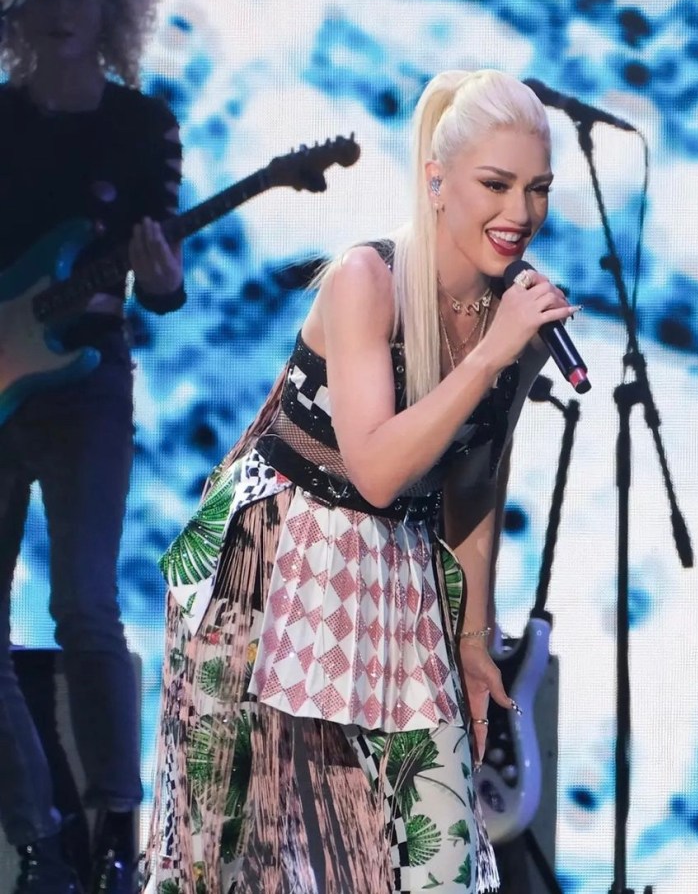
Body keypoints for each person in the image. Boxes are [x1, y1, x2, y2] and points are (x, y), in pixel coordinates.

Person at [143, 68, 575, 894]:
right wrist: (489, 355)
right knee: (230, 860)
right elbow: (376, 470)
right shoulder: (365, 280)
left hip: (397, 573)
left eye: (537, 189)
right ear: (437, 181)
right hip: (270, 563)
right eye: (496, 185)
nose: (519, 212)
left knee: (440, 856)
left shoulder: (515, 321)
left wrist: (474, 637)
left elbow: (476, 480)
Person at [0, 0, 185, 894]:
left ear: (112, 9)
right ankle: (37, 847)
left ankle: (116, 839)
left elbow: (161, 289)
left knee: (84, 604)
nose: (64, 11)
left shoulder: (141, 127)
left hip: (87, 390)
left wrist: (160, 279)